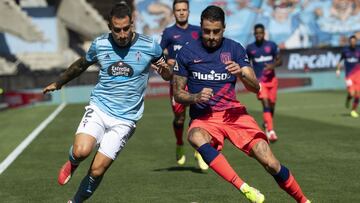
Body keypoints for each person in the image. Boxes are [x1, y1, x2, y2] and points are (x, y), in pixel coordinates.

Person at [173, 5, 311, 203]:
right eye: (206, 31)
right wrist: (194, 97)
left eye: (216, 31)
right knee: (194, 136)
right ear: (201, 28)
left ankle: (304, 200)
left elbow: (256, 88)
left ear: (224, 28)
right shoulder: (187, 52)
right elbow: (178, 93)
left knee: (270, 162)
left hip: (235, 114)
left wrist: (241, 73)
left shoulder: (235, 48)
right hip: (205, 119)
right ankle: (244, 187)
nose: (211, 36)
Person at [43, 3, 171, 203]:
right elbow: (81, 65)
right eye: (117, 29)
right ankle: (73, 161)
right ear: (110, 27)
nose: (122, 34)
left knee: (97, 170)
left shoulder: (150, 46)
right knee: (81, 151)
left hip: (126, 119)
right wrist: (59, 83)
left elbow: (168, 73)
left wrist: (165, 72)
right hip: (100, 108)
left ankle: (74, 202)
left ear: (132, 25)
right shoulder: (100, 44)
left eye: (126, 28)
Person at [160, 0, 208, 170]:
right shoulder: (169, 33)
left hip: (196, 81)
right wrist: (167, 61)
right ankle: (180, 143)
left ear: (188, 11)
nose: (181, 13)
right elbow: (158, 55)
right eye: (178, 10)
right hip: (177, 83)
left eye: (184, 10)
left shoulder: (197, 31)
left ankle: (199, 151)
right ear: (174, 12)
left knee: (199, 118)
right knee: (180, 118)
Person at [246, 23, 282, 142]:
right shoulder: (250, 48)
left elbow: (280, 61)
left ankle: (267, 123)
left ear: (264, 33)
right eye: (256, 33)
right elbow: (246, 64)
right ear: (254, 34)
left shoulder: (271, 45)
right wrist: (250, 77)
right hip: (260, 82)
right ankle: (271, 131)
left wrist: (272, 65)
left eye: (260, 33)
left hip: (272, 80)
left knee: (271, 105)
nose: (258, 35)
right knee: (265, 104)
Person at [336, 35, 360, 118]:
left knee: (358, 94)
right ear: (349, 42)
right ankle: (348, 99)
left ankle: (353, 110)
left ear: (356, 42)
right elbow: (340, 61)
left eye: (354, 41)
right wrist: (338, 70)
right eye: (351, 41)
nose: (353, 43)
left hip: (358, 75)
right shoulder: (345, 51)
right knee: (351, 93)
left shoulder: (359, 51)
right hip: (349, 76)